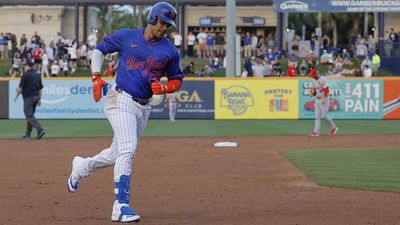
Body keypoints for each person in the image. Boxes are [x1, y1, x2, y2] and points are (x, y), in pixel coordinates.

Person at [67, 2, 184, 223]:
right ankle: (120, 205)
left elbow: (177, 80)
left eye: (169, 25)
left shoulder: (169, 50)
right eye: (163, 22)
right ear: (152, 18)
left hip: (144, 106)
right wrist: (95, 75)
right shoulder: (127, 36)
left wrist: (166, 87)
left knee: (116, 153)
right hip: (119, 98)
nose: (165, 28)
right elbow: (100, 49)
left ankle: (82, 166)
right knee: (128, 150)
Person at [13, 61, 45, 140]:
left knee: (29, 116)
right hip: (36, 97)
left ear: (28, 66)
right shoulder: (37, 75)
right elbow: (40, 89)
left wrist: (16, 96)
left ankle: (40, 130)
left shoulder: (25, 75)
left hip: (28, 98)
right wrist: (39, 99)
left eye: (25, 65)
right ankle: (28, 134)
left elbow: (21, 88)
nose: (24, 67)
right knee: (31, 116)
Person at [308, 68, 338, 137]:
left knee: (324, 116)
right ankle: (316, 132)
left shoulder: (323, 79)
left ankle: (334, 127)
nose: (312, 77)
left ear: (316, 74)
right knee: (317, 116)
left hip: (324, 98)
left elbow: (326, 89)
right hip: (317, 99)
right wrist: (312, 93)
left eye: (313, 75)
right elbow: (314, 88)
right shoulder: (313, 80)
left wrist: (324, 98)